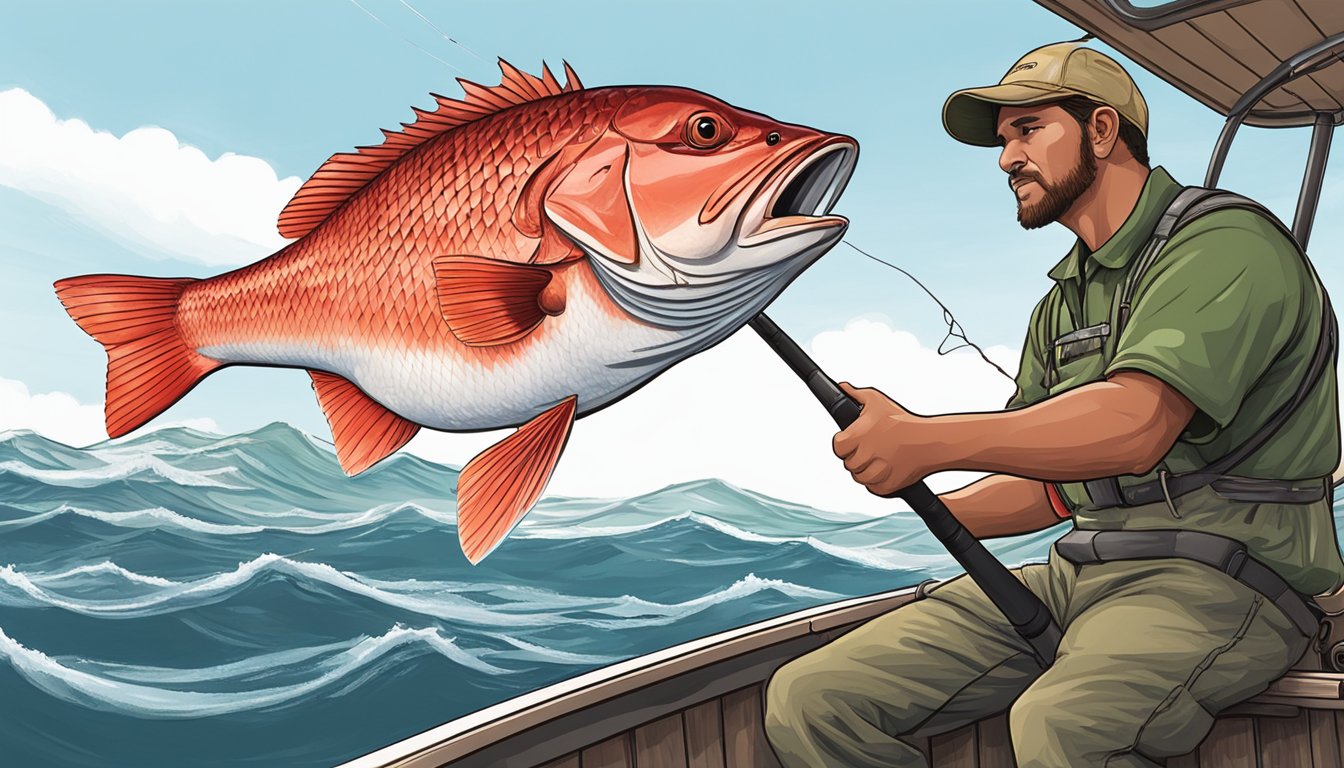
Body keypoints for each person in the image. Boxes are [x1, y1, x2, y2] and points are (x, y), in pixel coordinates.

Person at [763, 41, 1344, 768]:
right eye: (1003, 140)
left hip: (1228, 583)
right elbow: (1051, 488)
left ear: (1102, 131)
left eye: (1027, 130)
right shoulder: (1060, 303)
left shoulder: (1227, 245)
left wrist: (926, 441)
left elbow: (1134, 427)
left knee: (1060, 725)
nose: (1006, 159)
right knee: (810, 699)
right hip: (1080, 575)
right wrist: (930, 499)